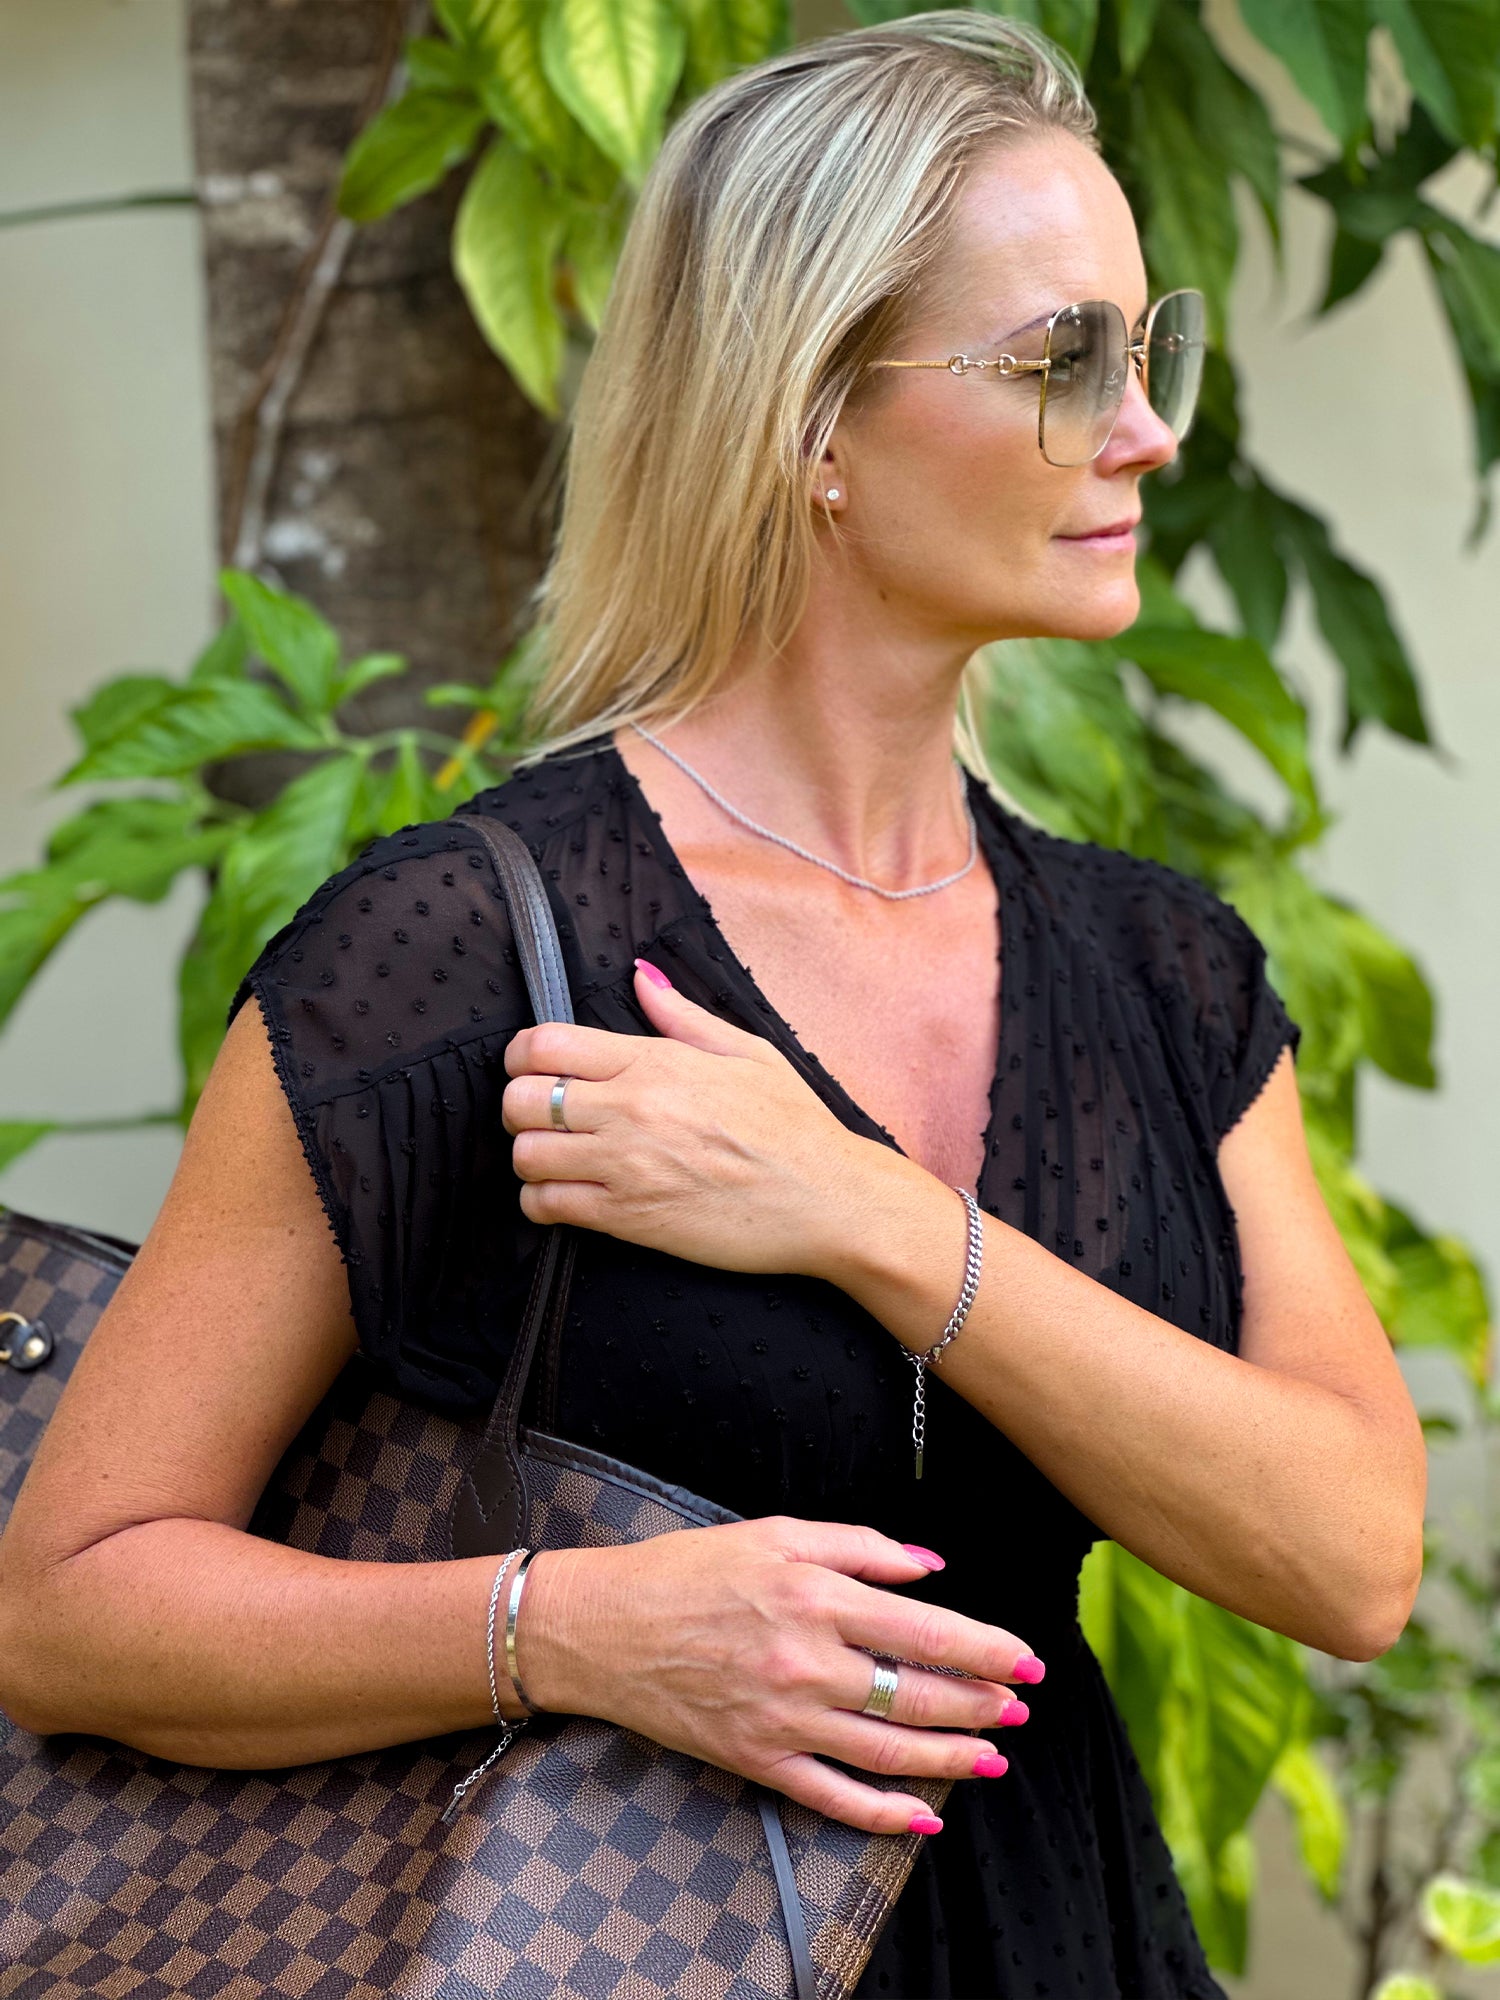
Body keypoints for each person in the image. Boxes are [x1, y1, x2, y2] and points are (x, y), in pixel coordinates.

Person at [0, 13, 1426, 1997]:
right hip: (602, 1943)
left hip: (1060, 1938)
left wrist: (867, 1214)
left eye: (1145, 349)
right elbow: (69, 1608)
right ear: (812, 419)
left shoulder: (1159, 965)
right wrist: (579, 1628)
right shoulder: (455, 950)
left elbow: (1350, 1558)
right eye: (1062, 363)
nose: (1148, 432)